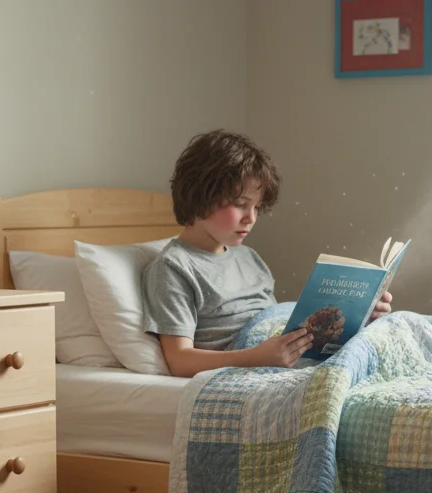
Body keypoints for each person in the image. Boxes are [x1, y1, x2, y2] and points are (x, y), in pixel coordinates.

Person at [141, 129, 391, 378]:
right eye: (241, 204)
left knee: (399, 325)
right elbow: (179, 360)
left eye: (256, 207)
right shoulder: (174, 267)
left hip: (282, 354)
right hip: (250, 361)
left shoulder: (248, 257)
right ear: (199, 196)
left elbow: (276, 328)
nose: (251, 218)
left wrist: (357, 319)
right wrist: (257, 357)